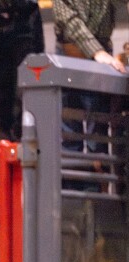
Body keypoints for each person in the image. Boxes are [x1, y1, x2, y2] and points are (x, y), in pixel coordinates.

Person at [53, 0, 126, 191]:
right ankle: (74, 203)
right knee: (73, 139)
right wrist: (97, 51)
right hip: (74, 53)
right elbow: (67, 17)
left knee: (96, 140)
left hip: (94, 53)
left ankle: (94, 202)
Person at [0, 0, 44, 142]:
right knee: (0, 98)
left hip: (24, 16)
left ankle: (20, 145)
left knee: (26, 94)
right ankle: (5, 146)